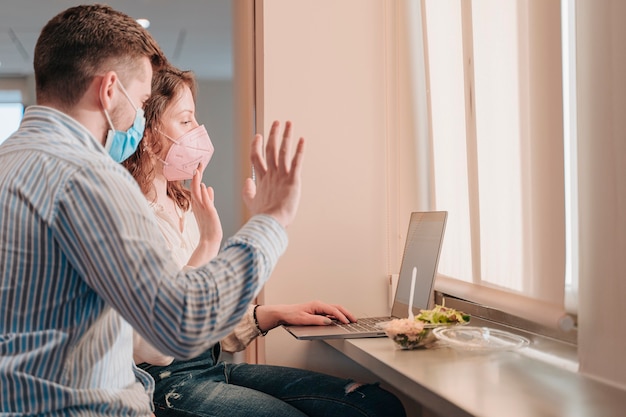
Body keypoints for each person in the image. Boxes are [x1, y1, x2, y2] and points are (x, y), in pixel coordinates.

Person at [0, 5, 304, 416]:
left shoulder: (10, 160)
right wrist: (271, 220)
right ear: (109, 90)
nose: (139, 122)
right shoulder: (90, 178)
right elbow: (174, 328)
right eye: (140, 100)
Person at [121, 66, 407, 417]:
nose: (199, 133)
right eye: (186, 121)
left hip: (208, 368)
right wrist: (209, 243)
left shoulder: (184, 202)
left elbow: (209, 315)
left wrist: (271, 314)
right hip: (163, 381)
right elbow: (158, 341)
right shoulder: (129, 214)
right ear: (148, 137)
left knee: (377, 406)